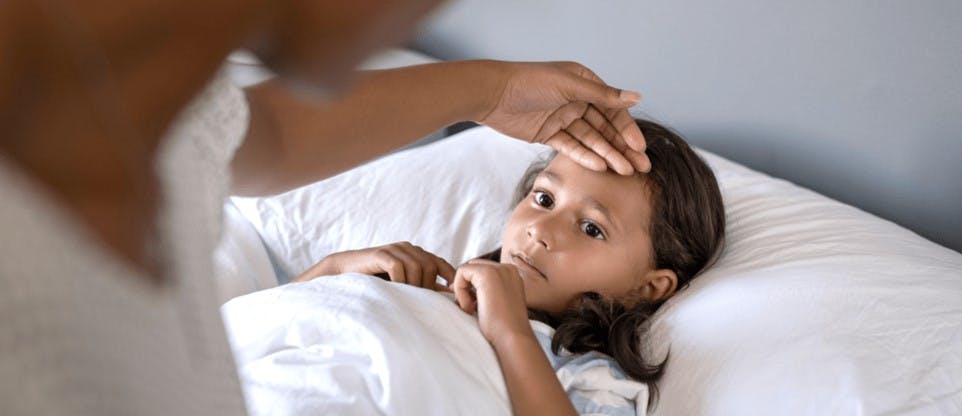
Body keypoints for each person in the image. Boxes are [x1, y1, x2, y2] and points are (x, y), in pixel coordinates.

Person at [0, 1, 655, 414]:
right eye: (541, 198)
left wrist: (326, 277)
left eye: (593, 226)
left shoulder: (159, 113)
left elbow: (263, 136)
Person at [293, 119, 726, 415]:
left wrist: (510, 331)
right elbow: (247, 331)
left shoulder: (585, 374)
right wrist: (334, 271)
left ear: (649, 287)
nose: (540, 231)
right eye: (543, 199)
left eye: (592, 228)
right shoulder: (432, 292)